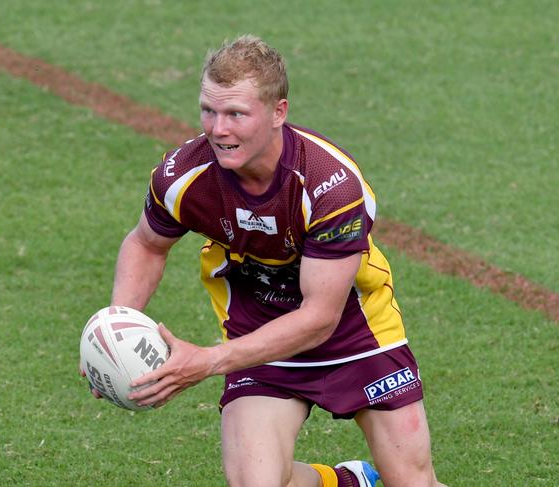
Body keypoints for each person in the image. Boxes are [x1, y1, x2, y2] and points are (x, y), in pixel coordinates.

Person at [94, 35, 446, 487]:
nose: (217, 129)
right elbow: (146, 244)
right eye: (208, 110)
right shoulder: (183, 176)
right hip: (258, 331)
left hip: (357, 332)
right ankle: (347, 482)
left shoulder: (329, 185)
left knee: (412, 483)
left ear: (278, 112)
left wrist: (209, 360)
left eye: (236, 114)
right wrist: (116, 329)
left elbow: (320, 318)